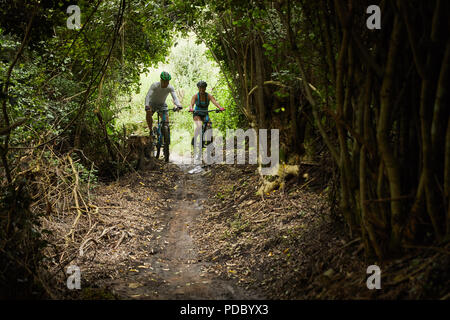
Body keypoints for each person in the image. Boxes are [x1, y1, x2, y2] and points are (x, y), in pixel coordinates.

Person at [188, 80, 224, 161]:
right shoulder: (195, 96)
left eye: (203, 88)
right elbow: (191, 104)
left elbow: (215, 102)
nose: (201, 90)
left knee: (209, 127)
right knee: (199, 125)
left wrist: (220, 107)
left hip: (205, 114)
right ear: (198, 88)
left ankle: (210, 147)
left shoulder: (208, 96)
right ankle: (195, 137)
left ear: (205, 88)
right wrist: (191, 109)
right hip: (197, 114)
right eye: (200, 88)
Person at [145, 71, 182, 146]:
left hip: (162, 105)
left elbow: (175, 97)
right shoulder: (155, 85)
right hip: (152, 104)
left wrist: (178, 105)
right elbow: (148, 96)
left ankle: (165, 137)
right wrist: (147, 105)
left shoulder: (170, 87)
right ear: (161, 80)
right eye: (164, 81)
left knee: (166, 123)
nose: (166, 83)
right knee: (148, 113)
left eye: (167, 82)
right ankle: (151, 130)